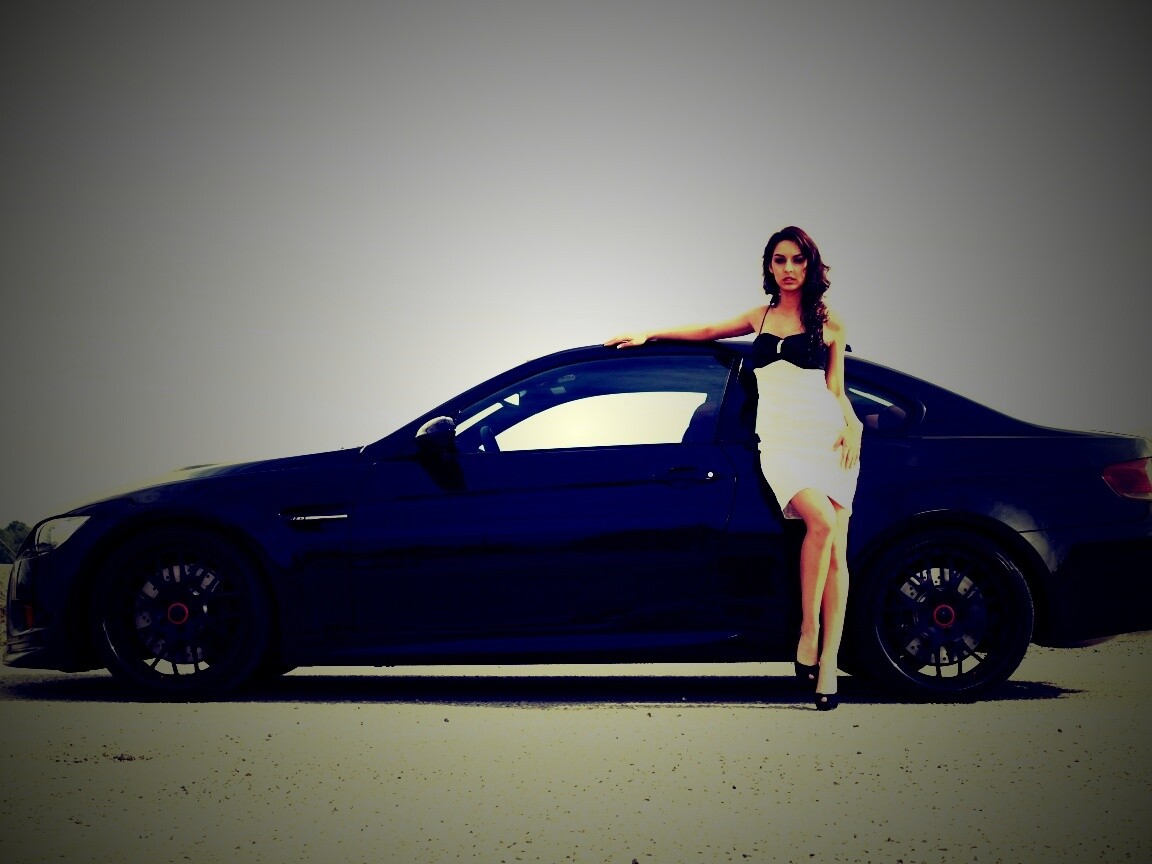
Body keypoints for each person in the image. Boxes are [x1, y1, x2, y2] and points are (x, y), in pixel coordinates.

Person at [604, 226, 861, 710]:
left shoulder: (831, 323)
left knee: (836, 555)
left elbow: (836, 390)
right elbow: (706, 331)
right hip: (782, 441)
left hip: (828, 437)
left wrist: (854, 427)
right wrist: (650, 333)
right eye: (780, 260)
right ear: (769, 266)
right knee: (821, 523)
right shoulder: (758, 317)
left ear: (810, 265)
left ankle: (827, 664)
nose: (789, 269)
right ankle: (808, 630)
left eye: (798, 260)